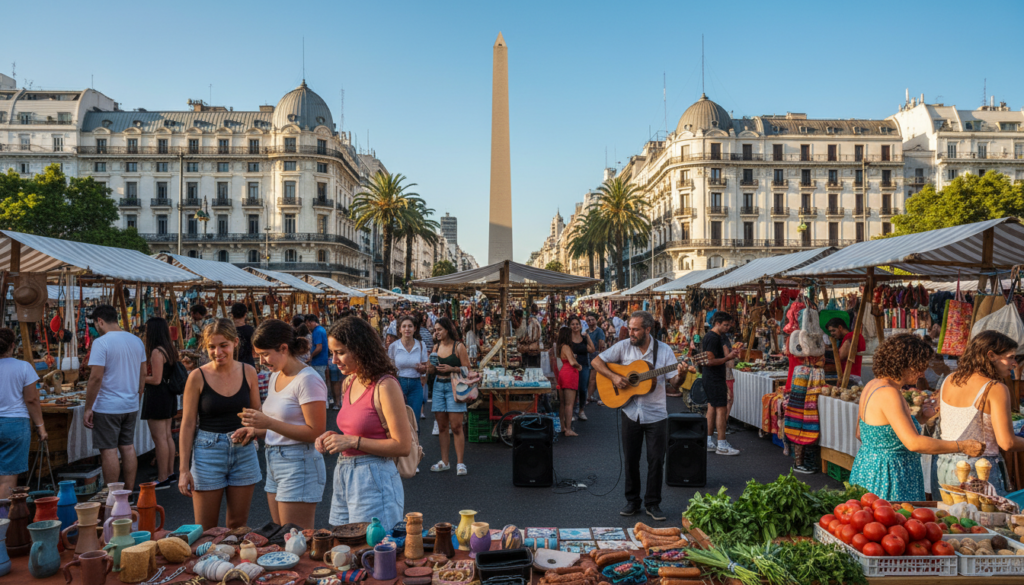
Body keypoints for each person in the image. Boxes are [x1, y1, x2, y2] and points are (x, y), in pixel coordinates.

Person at [849, 333, 984, 501]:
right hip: (890, 476)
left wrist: (921, 418)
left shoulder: (873, 384)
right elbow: (914, 443)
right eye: (920, 367)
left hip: (869, 468)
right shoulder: (889, 393)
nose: (922, 373)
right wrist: (962, 446)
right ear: (904, 364)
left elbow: (862, 434)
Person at [592, 311, 692, 520]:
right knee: (631, 459)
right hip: (630, 411)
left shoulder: (664, 351)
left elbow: (674, 384)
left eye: (636, 329)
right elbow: (596, 362)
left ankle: (653, 504)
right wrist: (615, 377)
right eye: (630, 328)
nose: (631, 333)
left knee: (656, 460)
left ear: (648, 329)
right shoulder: (624, 346)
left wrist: (681, 374)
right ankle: (632, 501)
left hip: (656, 413)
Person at [316, 317, 412, 528]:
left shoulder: (385, 385)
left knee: (374, 550)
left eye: (340, 352)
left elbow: (403, 446)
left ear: (360, 349)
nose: (334, 360)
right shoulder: (350, 381)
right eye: (332, 353)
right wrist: (336, 437)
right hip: (344, 472)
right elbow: (356, 428)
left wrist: (352, 441)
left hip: (374, 476)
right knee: (347, 546)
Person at [241, 319, 327, 528]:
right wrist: (254, 430)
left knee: (295, 540)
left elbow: (315, 432)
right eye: (259, 354)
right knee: (282, 536)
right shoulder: (275, 375)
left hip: (299, 462)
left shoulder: (307, 379)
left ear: (284, 348)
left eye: (264, 354)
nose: (262, 360)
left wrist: (267, 423)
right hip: (275, 459)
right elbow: (278, 424)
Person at [177, 319, 261, 529]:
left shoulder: (248, 372)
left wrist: (253, 431)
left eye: (223, 345)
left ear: (235, 343)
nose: (218, 352)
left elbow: (257, 414)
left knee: (238, 526)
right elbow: (187, 425)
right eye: (211, 347)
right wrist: (183, 469)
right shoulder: (197, 377)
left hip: (243, 450)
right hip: (207, 452)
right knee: (206, 529)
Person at [932, 331, 1024, 496]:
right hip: (979, 472)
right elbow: (1007, 443)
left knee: (950, 519)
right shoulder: (995, 388)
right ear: (991, 355)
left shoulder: (950, 379)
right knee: (986, 521)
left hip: (944, 466)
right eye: (1010, 357)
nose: (1014, 363)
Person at [84, 304, 147, 492]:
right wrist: (138, 395)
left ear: (100, 321)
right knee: (127, 447)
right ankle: (128, 495)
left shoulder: (101, 343)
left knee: (109, 450)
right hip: (130, 404)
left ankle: (113, 496)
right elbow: (143, 373)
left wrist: (88, 407)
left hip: (107, 406)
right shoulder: (136, 341)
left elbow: (95, 377)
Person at [0, 327, 44, 499]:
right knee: (8, 477)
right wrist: (41, 427)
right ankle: (3, 521)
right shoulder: (23, 367)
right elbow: (32, 400)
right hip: (15, 424)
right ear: (12, 346)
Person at [429, 317, 470, 475]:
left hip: (455, 386)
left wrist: (452, 368)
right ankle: (444, 461)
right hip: (439, 386)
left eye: (439, 329)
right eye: (435, 330)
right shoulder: (435, 348)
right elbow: (431, 371)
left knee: (457, 426)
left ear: (447, 330)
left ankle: (460, 463)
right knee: (442, 427)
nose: (436, 332)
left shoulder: (459, 347)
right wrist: (429, 365)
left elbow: (468, 369)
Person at [141, 317, 179, 487]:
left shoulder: (157, 351)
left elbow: (155, 379)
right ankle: (170, 473)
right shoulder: (169, 348)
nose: (145, 332)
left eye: (147, 329)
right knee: (167, 436)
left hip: (157, 396)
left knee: (160, 439)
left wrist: (140, 378)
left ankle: (162, 477)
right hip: (168, 395)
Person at [702, 312, 742, 456]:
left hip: (712, 377)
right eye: (725, 325)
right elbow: (710, 361)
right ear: (717, 323)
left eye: (729, 325)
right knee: (721, 409)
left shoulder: (714, 337)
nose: (727, 328)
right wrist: (728, 357)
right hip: (713, 377)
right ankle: (722, 444)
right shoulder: (712, 338)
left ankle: (708, 441)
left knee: (712, 408)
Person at [388, 315, 427, 431]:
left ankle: (415, 448)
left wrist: (422, 369)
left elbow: (426, 367)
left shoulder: (421, 345)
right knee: (399, 419)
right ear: (399, 329)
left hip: (416, 385)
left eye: (410, 326)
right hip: (399, 383)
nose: (407, 329)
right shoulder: (394, 346)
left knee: (414, 421)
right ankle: (401, 447)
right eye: (404, 326)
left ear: (415, 328)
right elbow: (389, 368)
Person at [826, 318, 865, 384]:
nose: (832, 333)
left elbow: (840, 356)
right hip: (852, 376)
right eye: (830, 331)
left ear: (840, 327)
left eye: (833, 330)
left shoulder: (851, 336)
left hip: (851, 377)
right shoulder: (852, 336)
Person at [584, 312, 607, 406]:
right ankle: (591, 396)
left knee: (593, 378)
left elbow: (601, 345)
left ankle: (588, 397)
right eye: (588, 320)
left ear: (596, 320)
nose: (590, 321)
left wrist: (600, 358)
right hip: (587, 357)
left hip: (596, 357)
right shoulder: (587, 332)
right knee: (589, 378)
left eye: (592, 319)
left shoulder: (599, 331)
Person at [306, 314, 330, 386]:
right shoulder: (321, 329)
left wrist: (311, 356)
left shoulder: (317, 331)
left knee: (319, 382)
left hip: (318, 362)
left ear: (311, 322)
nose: (307, 326)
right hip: (321, 360)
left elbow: (319, 347)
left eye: (307, 323)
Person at [231, 303, 255, 367]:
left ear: (232, 315)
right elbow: (254, 349)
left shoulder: (228, 331)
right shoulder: (250, 330)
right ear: (245, 315)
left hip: (232, 365)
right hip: (248, 364)